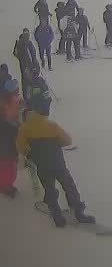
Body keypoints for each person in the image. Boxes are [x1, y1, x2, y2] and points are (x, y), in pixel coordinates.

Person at [16, 94, 95, 227]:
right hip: (58, 163)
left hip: (42, 165)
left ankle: (57, 217)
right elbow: (68, 140)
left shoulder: (25, 128)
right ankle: (78, 212)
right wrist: (56, 144)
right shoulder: (52, 125)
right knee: (69, 186)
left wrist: (29, 154)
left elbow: (20, 146)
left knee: (50, 189)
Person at [0, 91, 17, 198]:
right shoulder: (7, 124)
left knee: (8, 169)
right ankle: (5, 186)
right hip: (6, 150)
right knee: (8, 169)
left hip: (7, 149)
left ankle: (6, 185)